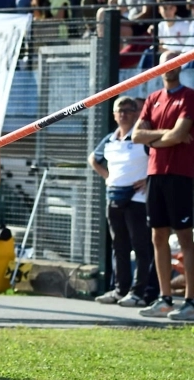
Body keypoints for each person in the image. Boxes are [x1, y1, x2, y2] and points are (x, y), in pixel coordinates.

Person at [132, 50, 194, 321]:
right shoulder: (152, 99)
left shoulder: (189, 97)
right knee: (157, 236)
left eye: (175, 62)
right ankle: (164, 298)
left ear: (182, 66)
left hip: (180, 174)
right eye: (165, 63)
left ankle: (190, 302)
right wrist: (162, 138)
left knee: (184, 237)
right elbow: (136, 135)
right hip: (155, 174)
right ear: (158, 68)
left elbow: (181, 134)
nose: (170, 67)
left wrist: (155, 138)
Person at [88, 96, 152, 307]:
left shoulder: (142, 138)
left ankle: (139, 292)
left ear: (136, 114)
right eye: (120, 110)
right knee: (119, 246)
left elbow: (158, 158)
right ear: (114, 115)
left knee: (141, 247)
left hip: (137, 200)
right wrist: (107, 177)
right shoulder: (109, 139)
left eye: (128, 110)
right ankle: (120, 289)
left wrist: (147, 180)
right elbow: (93, 159)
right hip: (114, 196)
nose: (124, 114)